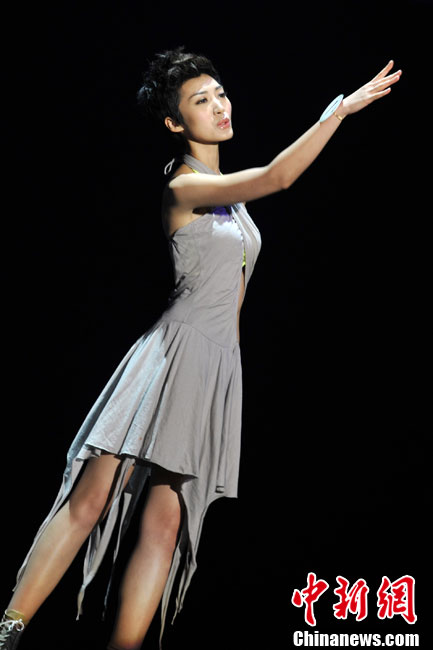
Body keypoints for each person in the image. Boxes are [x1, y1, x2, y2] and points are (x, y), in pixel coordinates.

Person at [0, 47, 401, 650]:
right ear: (174, 121)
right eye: (200, 100)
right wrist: (336, 114)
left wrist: (226, 374)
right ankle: (9, 629)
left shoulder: (231, 201)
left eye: (220, 94)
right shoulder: (183, 185)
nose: (219, 106)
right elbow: (278, 177)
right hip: (171, 355)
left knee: (166, 525)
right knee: (91, 499)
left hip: (216, 364)